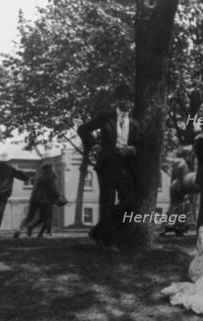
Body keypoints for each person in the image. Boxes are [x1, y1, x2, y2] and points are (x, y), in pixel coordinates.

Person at [77, 83, 143, 251]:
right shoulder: (105, 117)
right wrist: (93, 145)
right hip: (107, 164)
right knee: (107, 202)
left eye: (128, 99)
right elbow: (83, 129)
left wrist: (133, 149)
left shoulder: (135, 122)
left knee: (130, 203)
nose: (125, 102)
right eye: (121, 98)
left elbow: (142, 144)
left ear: (131, 101)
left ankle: (98, 231)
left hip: (126, 166)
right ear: (116, 100)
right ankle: (108, 241)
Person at [14, 163, 61, 238]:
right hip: (44, 200)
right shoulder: (50, 176)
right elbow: (53, 189)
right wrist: (59, 196)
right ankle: (48, 233)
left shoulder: (41, 177)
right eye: (52, 167)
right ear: (50, 168)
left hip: (34, 199)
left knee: (30, 217)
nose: (53, 169)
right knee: (48, 216)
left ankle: (19, 229)